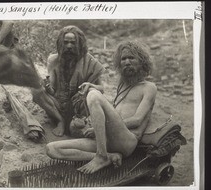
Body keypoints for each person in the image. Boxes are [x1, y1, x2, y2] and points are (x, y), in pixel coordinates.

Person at [46, 41, 157, 174]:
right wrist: (97, 127)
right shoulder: (123, 85)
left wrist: (102, 126)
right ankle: (108, 156)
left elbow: (137, 120)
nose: (127, 62)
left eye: (131, 58)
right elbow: (116, 111)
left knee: (94, 95)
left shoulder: (149, 87)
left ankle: (101, 155)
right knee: (51, 149)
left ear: (142, 61)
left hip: (127, 141)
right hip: (108, 140)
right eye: (123, 59)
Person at [31, 25, 105, 137]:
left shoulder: (90, 62)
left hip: (78, 108)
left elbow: (102, 89)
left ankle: (78, 123)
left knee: (92, 94)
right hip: (58, 105)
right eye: (66, 42)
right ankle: (60, 120)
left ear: (80, 44)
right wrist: (46, 86)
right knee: (36, 90)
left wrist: (90, 85)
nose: (69, 46)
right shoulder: (53, 60)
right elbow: (52, 90)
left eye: (73, 43)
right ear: (61, 43)